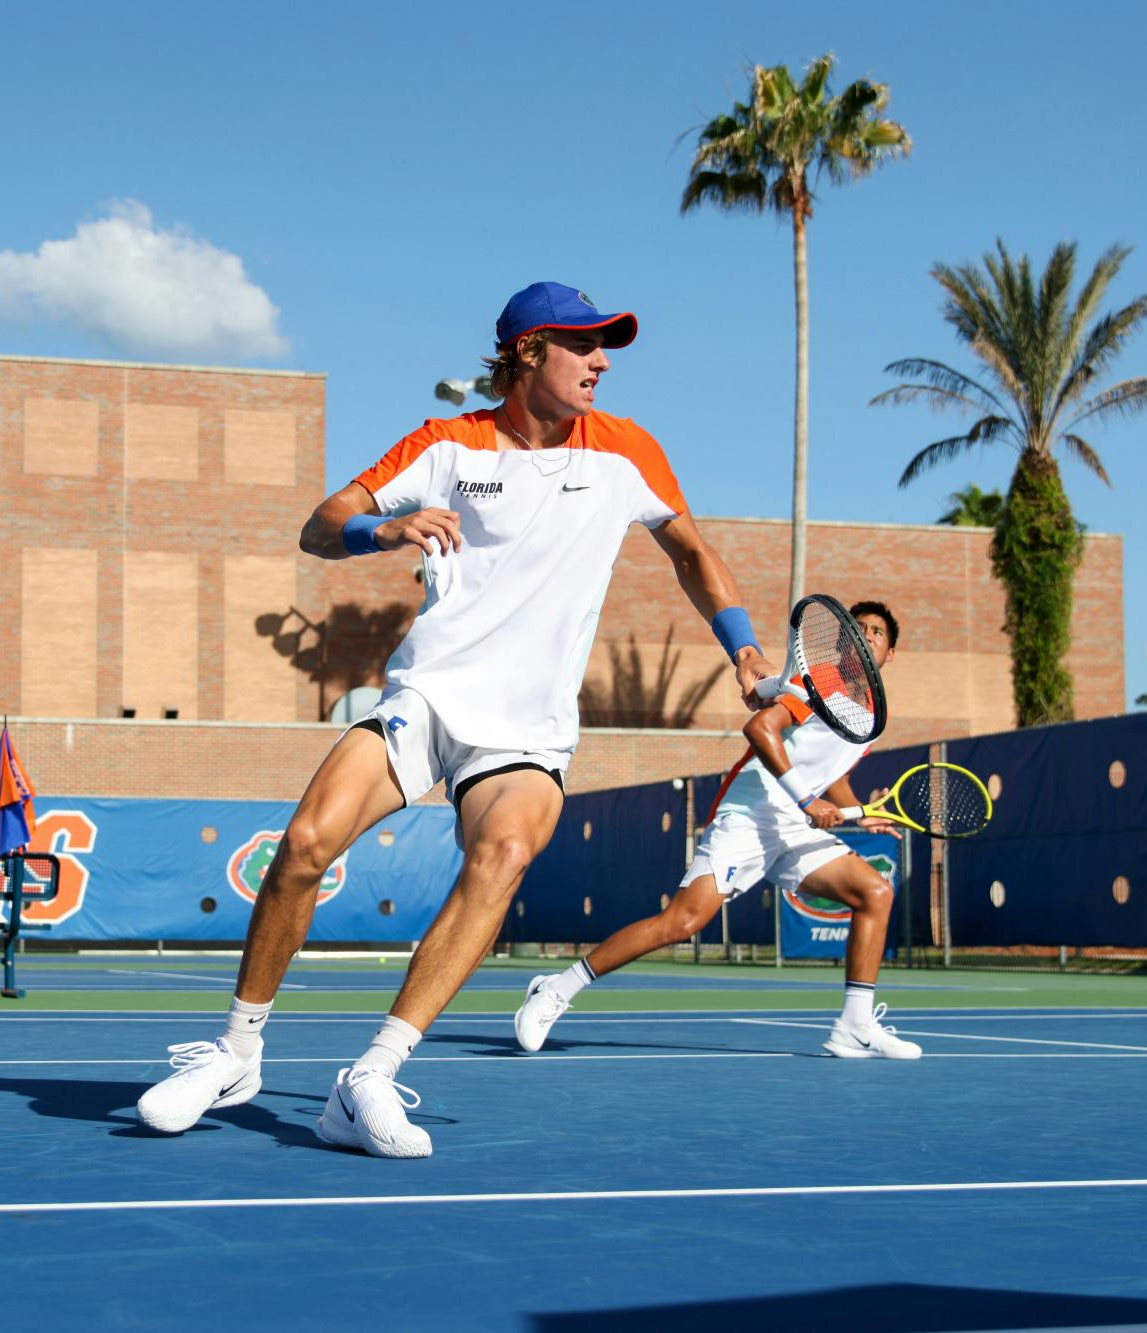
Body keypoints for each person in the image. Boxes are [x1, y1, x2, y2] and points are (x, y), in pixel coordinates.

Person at [136, 282, 774, 1157]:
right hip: (430, 696)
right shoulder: (448, 443)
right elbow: (322, 527)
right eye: (583, 345)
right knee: (307, 843)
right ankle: (237, 1052)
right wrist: (385, 531)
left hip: (527, 730)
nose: (602, 361)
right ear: (525, 352)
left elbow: (694, 552)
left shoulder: (628, 452)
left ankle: (371, 1077)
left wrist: (739, 646)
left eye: (606, 345)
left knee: (504, 852)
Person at [514, 601, 921, 1059]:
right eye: (859, 628)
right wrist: (807, 799)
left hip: (794, 826)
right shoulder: (821, 682)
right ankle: (556, 988)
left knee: (875, 893)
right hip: (751, 814)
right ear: (843, 643)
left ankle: (855, 1025)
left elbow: (834, 773)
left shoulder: (869, 716)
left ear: (890, 653)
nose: (866, 635)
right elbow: (761, 730)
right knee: (683, 922)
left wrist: (853, 810)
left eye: (877, 632)